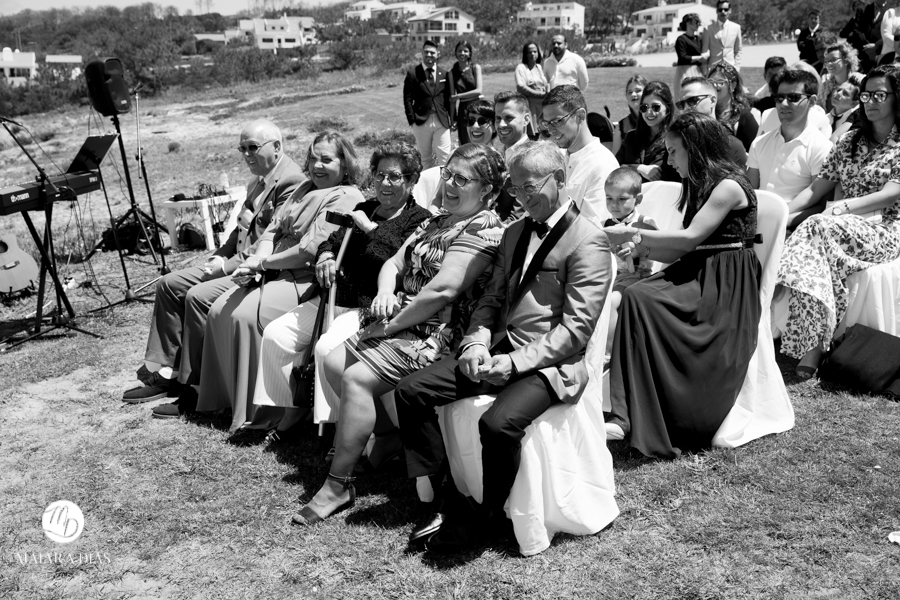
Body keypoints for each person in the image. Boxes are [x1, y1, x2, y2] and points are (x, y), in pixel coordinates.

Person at [393, 141, 612, 552]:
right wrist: (476, 342)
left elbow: (576, 331)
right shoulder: (513, 233)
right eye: (516, 188)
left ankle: (489, 515)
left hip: (552, 365)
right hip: (499, 349)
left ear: (560, 179)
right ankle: (447, 498)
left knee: (496, 425)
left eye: (531, 187)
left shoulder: (588, 240)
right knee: (410, 390)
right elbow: (491, 300)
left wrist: (512, 363)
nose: (523, 198)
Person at [291, 143, 505, 527]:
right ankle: (388, 436)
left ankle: (338, 485)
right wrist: (386, 292)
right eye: (448, 175)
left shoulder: (484, 228)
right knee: (333, 362)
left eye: (462, 179)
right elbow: (393, 261)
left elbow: (444, 290)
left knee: (356, 378)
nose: (449, 184)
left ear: (486, 189)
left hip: (439, 331)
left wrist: (391, 325)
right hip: (404, 315)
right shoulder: (438, 219)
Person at [604, 112, 762, 458]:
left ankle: (650, 412)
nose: (670, 160)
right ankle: (625, 411)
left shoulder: (728, 185)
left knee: (640, 298)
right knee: (635, 294)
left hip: (725, 279)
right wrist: (640, 246)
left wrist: (632, 233)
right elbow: (683, 248)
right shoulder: (699, 184)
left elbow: (691, 238)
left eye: (674, 151)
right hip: (698, 266)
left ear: (696, 148)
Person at [124, 119, 307, 413]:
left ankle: (195, 386)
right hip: (234, 260)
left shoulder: (291, 181)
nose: (246, 154)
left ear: (276, 146)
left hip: (258, 270)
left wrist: (226, 267)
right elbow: (240, 231)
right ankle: (169, 371)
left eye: (252, 147)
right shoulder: (258, 180)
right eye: (241, 148)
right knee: (169, 284)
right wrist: (219, 257)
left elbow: (272, 240)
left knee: (197, 297)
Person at [253, 141, 432, 441]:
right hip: (332, 297)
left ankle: (341, 430)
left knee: (326, 350)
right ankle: (292, 411)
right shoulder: (365, 207)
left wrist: (371, 230)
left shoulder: (419, 219)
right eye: (379, 175)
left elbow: (400, 261)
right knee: (276, 335)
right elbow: (331, 241)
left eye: (394, 177)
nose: (384, 183)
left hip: (367, 307)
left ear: (412, 180)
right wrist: (325, 256)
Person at [194, 132, 365, 433]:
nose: (317, 166)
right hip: (273, 269)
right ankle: (228, 399)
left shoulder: (346, 196)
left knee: (246, 317)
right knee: (219, 311)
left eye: (327, 160)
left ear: (345, 164)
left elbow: (309, 251)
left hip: (305, 278)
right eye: (313, 158)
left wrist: (263, 264)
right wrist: (256, 264)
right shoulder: (303, 188)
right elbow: (271, 231)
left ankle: (263, 412)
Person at [775, 66, 900, 378]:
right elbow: (815, 189)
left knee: (815, 226)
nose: (870, 102)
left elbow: (890, 195)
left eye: (880, 95)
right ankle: (817, 340)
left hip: (885, 229)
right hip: (840, 227)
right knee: (814, 240)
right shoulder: (848, 141)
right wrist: (781, 214)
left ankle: (788, 307)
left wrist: (842, 208)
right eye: (866, 95)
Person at [747, 69, 833, 221]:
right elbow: (749, 192)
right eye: (779, 97)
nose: (784, 103)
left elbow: (821, 205)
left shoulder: (822, 148)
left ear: (812, 101)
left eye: (793, 97)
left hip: (794, 227)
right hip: (756, 221)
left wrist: (780, 222)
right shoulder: (759, 143)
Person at [541, 85, 619, 225]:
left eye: (557, 121)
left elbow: (594, 229)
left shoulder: (603, 165)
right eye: (547, 123)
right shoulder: (557, 156)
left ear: (580, 116)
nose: (551, 130)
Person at [603, 167, 658, 357]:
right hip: (611, 276)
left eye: (621, 199)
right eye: (609, 198)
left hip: (636, 276)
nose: (614, 204)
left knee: (612, 302)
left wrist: (635, 250)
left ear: (638, 199)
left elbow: (656, 250)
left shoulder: (645, 223)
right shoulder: (605, 224)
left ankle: (608, 353)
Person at [616, 81, 680, 182]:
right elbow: (614, 167)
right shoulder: (631, 137)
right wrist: (639, 168)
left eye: (656, 107)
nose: (649, 112)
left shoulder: (676, 138)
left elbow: (675, 174)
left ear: (667, 109)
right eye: (644, 107)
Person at [403, 40, 452, 170]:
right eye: (426, 52)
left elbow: (448, 98)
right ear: (422, 53)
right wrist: (412, 121)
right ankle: (427, 183)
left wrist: (451, 119)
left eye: (432, 52)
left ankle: (444, 182)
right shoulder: (413, 74)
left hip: (441, 121)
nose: (429, 55)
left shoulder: (445, 74)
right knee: (424, 159)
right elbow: (407, 99)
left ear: (438, 54)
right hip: (421, 122)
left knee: (445, 158)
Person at [676, 77, 747, 165]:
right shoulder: (677, 142)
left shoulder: (731, 145)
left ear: (712, 101)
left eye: (692, 100)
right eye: (681, 104)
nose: (686, 108)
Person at [493, 91, 532, 222]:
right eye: (498, 118)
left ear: (526, 119)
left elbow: (518, 217)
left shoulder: (530, 160)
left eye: (509, 118)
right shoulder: (499, 153)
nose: (501, 124)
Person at [449, 40, 483, 146]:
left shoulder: (475, 68)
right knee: (465, 142)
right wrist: (453, 119)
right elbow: (452, 99)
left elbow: (479, 91)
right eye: (459, 51)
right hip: (463, 110)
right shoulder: (452, 73)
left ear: (470, 53)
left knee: (480, 140)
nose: (462, 53)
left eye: (465, 51)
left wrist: (459, 96)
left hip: (477, 108)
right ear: (455, 53)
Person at [514, 41, 548, 138]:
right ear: (525, 54)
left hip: (542, 108)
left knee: (544, 136)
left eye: (535, 51)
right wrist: (539, 94)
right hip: (530, 108)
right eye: (529, 52)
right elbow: (521, 87)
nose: (532, 54)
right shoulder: (521, 68)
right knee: (532, 137)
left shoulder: (539, 67)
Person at [819, 42, 864, 112]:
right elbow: (819, 107)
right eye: (827, 61)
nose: (829, 64)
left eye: (834, 59)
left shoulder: (861, 80)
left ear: (846, 60)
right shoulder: (824, 82)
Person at [702, 0, 743, 70]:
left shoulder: (736, 28)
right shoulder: (708, 29)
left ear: (730, 11)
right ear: (716, 11)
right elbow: (704, 51)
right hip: (713, 68)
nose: (723, 12)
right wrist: (705, 70)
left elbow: (738, 50)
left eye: (726, 9)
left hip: (730, 68)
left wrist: (737, 67)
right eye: (720, 10)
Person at [674, 13, 708, 91]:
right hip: (684, 72)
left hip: (698, 72)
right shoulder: (681, 39)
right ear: (688, 23)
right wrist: (699, 58)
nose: (698, 24)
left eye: (699, 22)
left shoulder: (699, 39)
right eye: (696, 22)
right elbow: (682, 57)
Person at [617, 75, 649, 142]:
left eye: (638, 90)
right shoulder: (620, 127)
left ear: (648, 94)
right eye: (630, 92)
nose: (633, 94)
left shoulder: (656, 120)